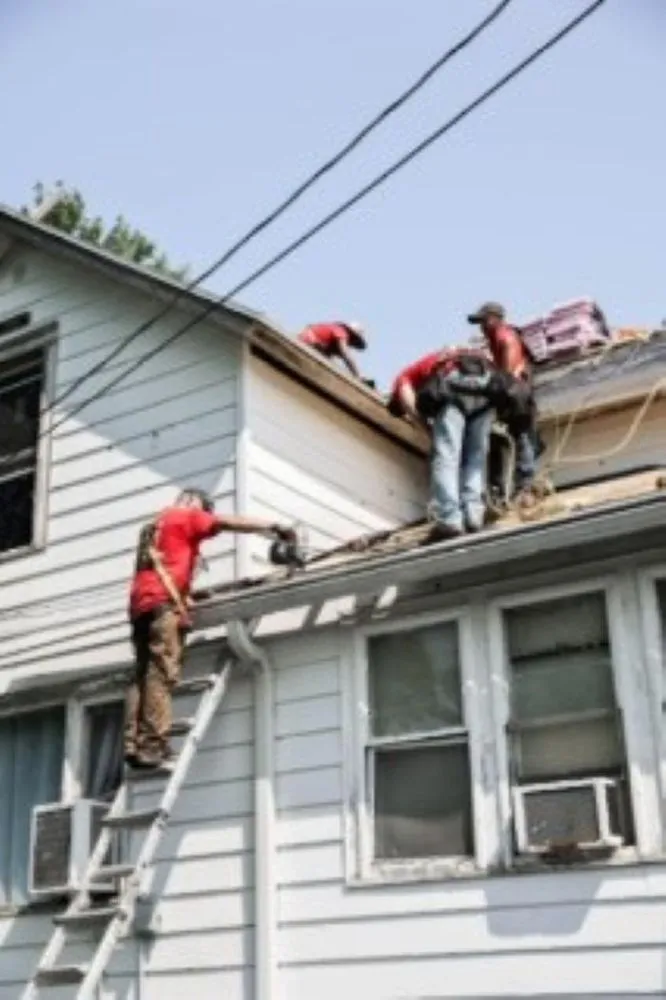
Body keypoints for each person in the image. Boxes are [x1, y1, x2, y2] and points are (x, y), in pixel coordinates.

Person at [125, 487, 295, 769]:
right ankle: (153, 746)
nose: (203, 518)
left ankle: (133, 743)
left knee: (141, 674)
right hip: (161, 605)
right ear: (193, 502)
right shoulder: (186, 515)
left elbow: (162, 567)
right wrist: (274, 526)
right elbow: (228, 522)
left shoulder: (153, 526)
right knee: (161, 673)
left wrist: (186, 594)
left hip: (140, 606)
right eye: (203, 511)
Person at [388, 346, 494, 539]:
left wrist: (428, 431)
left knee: (446, 457)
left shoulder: (401, 380)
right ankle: (473, 516)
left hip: (454, 384)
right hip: (486, 385)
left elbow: (411, 407)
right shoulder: (441, 357)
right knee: (475, 456)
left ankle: (450, 519)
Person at [467, 302, 540, 501]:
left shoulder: (504, 335)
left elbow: (509, 373)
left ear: (494, 319)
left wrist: (498, 391)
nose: (481, 327)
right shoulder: (496, 338)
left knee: (522, 436)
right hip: (514, 392)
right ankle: (508, 486)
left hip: (516, 393)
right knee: (516, 437)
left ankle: (525, 485)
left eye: (483, 322)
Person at [297, 321, 367, 380]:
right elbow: (346, 355)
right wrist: (358, 376)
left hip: (307, 342)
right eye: (354, 341)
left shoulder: (334, 338)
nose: (352, 345)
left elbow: (334, 356)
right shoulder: (341, 332)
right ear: (351, 335)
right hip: (307, 342)